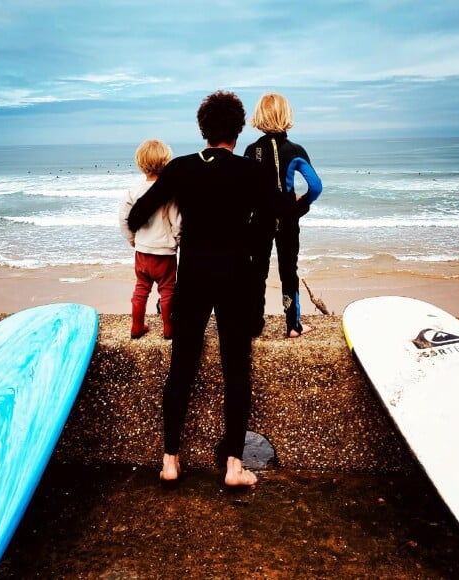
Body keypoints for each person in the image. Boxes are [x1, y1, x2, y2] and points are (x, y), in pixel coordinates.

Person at [128, 91, 290, 487]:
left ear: (203, 129)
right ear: (238, 129)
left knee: (181, 366)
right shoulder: (250, 172)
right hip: (236, 276)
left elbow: (138, 214)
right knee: (237, 369)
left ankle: (170, 461)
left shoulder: (182, 169)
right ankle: (234, 467)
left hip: (194, 277)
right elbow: (275, 216)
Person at [244, 93, 323, 338]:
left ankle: (255, 323)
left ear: (259, 117)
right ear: (286, 116)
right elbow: (316, 186)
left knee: (257, 271)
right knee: (289, 270)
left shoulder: (252, 150)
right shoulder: (295, 150)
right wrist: (300, 207)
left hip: (259, 219)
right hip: (287, 219)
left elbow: (245, 190)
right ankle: (293, 325)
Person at [119, 139, 181, 339]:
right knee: (167, 291)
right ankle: (168, 328)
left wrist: (131, 238)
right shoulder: (170, 193)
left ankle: (137, 326)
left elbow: (124, 219)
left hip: (143, 252)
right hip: (164, 252)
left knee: (141, 289)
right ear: (166, 162)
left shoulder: (134, 191)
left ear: (140, 163)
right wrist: (179, 241)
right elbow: (177, 222)